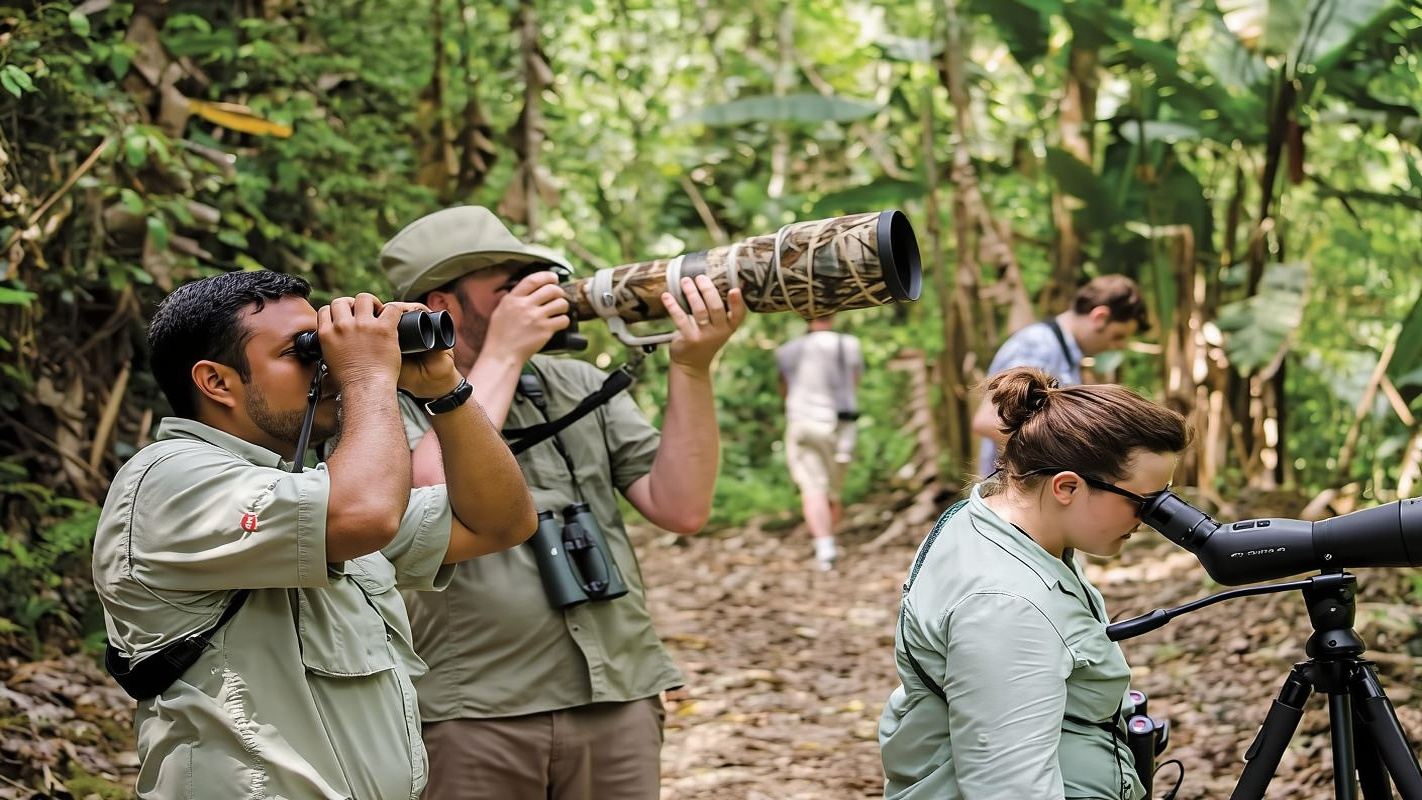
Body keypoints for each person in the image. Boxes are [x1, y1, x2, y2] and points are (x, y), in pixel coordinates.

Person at [92, 270, 536, 799]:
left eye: (323, 346)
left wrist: (445, 390)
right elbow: (366, 514)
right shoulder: (169, 479)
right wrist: (368, 374)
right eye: (303, 352)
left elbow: (499, 522)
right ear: (217, 382)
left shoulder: (313, 490)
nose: (326, 367)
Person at [380, 205, 746, 800]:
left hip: (616, 695)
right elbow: (429, 497)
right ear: (444, 305)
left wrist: (692, 367)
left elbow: (681, 507)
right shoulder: (380, 402)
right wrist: (501, 356)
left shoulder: (575, 384)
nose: (537, 296)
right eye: (508, 288)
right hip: (473, 712)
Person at [880, 366, 1189, 800]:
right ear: (1067, 487)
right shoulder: (1006, 607)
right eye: (1144, 502)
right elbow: (1008, 788)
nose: (1150, 519)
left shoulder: (991, 522)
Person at [972, 274, 1149, 477]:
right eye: (1118, 336)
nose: (1119, 346)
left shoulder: (1065, 353)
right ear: (1100, 317)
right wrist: (1069, 452)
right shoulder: (1039, 346)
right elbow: (989, 420)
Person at [776, 313, 863, 571]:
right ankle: (828, 542)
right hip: (843, 426)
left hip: (805, 423)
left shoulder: (787, 350)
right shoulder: (849, 344)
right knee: (833, 490)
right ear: (833, 315)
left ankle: (825, 548)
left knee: (813, 487)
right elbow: (854, 381)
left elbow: (784, 389)